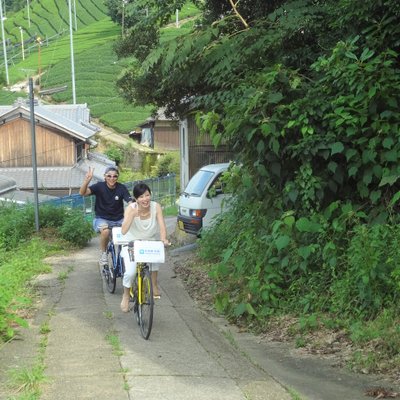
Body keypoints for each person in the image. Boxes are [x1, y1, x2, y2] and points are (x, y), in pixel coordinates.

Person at [120, 182, 170, 312]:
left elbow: (162, 226)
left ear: (150, 195)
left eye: (147, 195)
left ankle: (153, 284)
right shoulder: (130, 209)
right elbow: (123, 231)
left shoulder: (156, 207)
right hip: (132, 243)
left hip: (149, 241)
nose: (145, 199)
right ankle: (126, 295)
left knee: (154, 261)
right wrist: (131, 215)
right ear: (136, 199)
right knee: (130, 273)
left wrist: (164, 239)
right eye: (141, 197)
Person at [79, 166, 132, 265]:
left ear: (117, 177)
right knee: (106, 231)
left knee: (131, 230)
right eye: (109, 176)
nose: (112, 178)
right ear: (105, 177)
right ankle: (103, 254)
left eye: (115, 176)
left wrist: (133, 208)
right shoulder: (99, 186)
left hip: (119, 219)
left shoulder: (121, 188)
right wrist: (87, 180)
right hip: (102, 218)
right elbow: (82, 193)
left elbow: (129, 201)